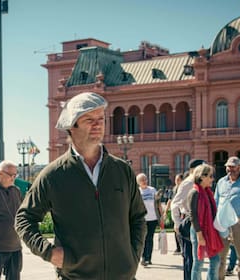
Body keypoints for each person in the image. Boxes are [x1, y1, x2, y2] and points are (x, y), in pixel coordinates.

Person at [15, 92, 147, 280]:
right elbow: (24, 218)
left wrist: (132, 259)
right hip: (75, 277)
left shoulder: (122, 170)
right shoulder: (53, 175)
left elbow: (138, 217)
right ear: (72, 126)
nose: (98, 124)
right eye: (89, 119)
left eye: (101, 118)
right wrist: (49, 252)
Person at [171, 159, 206, 280]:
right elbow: (175, 203)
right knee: (190, 258)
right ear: (193, 170)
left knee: (196, 257)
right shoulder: (188, 183)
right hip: (189, 221)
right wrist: (177, 223)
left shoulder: (199, 181)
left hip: (197, 221)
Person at [188, 164, 223, 280]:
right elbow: (193, 215)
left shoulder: (208, 192)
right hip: (198, 230)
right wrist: (199, 235)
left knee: (215, 259)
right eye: (210, 176)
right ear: (201, 177)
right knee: (198, 262)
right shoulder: (195, 193)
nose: (212, 179)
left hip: (209, 230)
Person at [137, 173, 159, 266]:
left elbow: (157, 203)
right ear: (138, 182)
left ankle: (148, 258)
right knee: (143, 238)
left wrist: (160, 216)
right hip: (142, 218)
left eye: (145, 179)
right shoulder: (137, 191)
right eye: (142, 180)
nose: (144, 181)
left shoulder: (152, 190)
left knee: (150, 238)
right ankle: (143, 257)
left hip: (152, 218)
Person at [164, 173, 184, 254]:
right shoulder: (174, 189)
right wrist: (166, 211)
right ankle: (178, 247)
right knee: (175, 229)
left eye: (178, 180)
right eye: (176, 180)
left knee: (181, 230)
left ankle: (182, 247)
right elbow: (170, 200)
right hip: (175, 212)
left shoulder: (184, 189)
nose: (176, 181)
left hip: (181, 212)